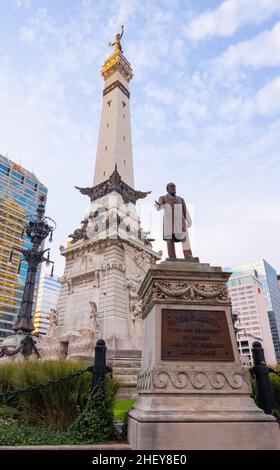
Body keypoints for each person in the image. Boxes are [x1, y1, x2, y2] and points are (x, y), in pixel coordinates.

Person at [155, 182, 193, 259]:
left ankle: (188, 255)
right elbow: (158, 206)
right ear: (167, 189)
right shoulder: (163, 198)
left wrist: (189, 220)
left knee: (184, 238)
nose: (174, 188)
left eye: (175, 187)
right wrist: (158, 205)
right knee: (170, 239)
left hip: (180, 220)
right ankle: (172, 257)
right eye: (172, 187)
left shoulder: (181, 199)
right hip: (168, 221)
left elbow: (185, 210)